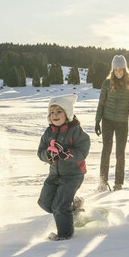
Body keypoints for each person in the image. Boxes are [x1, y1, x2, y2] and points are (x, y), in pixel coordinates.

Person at [37, 94, 91, 241]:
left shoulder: (76, 131)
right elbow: (40, 151)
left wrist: (66, 153)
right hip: (54, 174)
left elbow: (82, 152)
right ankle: (74, 205)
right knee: (45, 203)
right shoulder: (49, 132)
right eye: (52, 112)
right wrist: (48, 155)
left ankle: (65, 235)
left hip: (73, 175)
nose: (55, 115)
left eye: (59, 111)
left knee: (60, 206)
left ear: (67, 113)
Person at [94, 55, 129, 191]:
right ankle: (103, 181)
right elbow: (101, 103)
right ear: (112, 70)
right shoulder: (106, 84)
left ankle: (118, 183)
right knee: (106, 151)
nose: (119, 72)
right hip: (107, 121)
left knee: (120, 153)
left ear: (125, 70)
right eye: (116, 69)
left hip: (122, 123)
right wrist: (97, 121)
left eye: (121, 70)